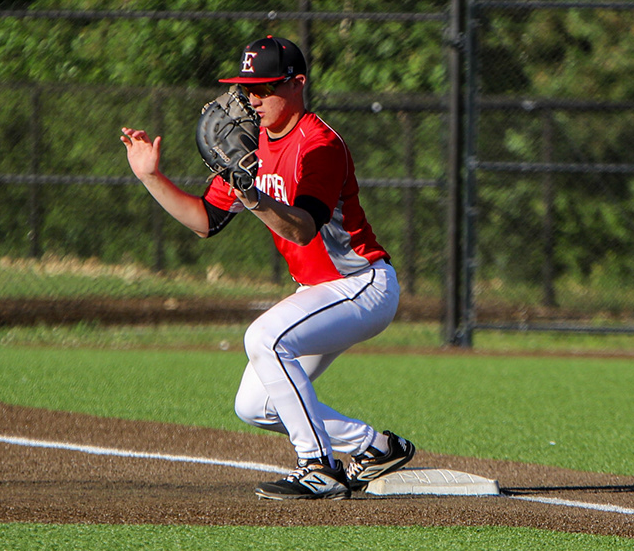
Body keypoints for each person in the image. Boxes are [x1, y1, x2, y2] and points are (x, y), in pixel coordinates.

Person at [120, 35, 415, 500]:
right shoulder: (249, 149)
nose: (251, 99)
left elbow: (302, 230)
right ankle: (374, 447)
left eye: (264, 88)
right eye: (247, 88)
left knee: (264, 338)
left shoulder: (320, 145)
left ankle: (319, 465)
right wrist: (150, 177)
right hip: (317, 291)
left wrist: (252, 195)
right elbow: (205, 221)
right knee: (256, 404)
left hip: (361, 284)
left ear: (297, 84)